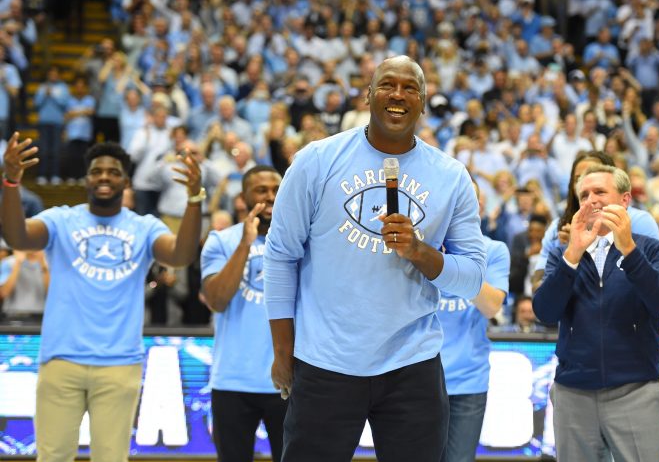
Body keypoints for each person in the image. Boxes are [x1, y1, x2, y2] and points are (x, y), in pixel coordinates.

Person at [263, 55, 486, 461]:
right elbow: (280, 257)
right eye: (387, 84)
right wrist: (282, 351)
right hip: (325, 361)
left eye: (410, 87)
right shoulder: (316, 160)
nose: (398, 94)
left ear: (422, 101)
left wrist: (420, 252)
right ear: (367, 95)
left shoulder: (452, 176)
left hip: (412, 363)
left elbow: (471, 277)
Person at [0, 134, 203, 461]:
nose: (104, 177)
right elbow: (16, 235)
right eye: (97, 171)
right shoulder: (61, 219)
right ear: (87, 179)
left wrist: (194, 199)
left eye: (113, 171)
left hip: (119, 363)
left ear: (125, 180)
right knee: (52, 457)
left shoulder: (144, 227)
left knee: (111, 457)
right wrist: (11, 182)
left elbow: (180, 255)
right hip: (62, 359)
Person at [533, 164, 659, 461]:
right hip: (573, 393)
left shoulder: (651, 249)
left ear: (624, 200)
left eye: (600, 191)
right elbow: (545, 312)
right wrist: (572, 254)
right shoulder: (563, 254)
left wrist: (630, 251)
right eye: (584, 195)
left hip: (637, 390)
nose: (591, 200)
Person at [201, 165, 287, 462]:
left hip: (289, 380)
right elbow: (217, 300)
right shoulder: (220, 241)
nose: (271, 197)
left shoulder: (303, 240)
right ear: (243, 198)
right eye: (262, 190)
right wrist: (245, 244)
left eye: (276, 190)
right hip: (233, 381)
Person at [439, 182, 510, 462]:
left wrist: (455, 264)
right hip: (418, 380)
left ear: (479, 207)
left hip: (467, 381)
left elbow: (492, 306)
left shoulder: (493, 250)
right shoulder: (417, 247)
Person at [531, 151, 659, 291]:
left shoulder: (640, 221)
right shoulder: (558, 227)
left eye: (593, 176)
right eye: (578, 179)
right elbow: (538, 289)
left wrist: (586, 250)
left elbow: (653, 286)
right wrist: (571, 252)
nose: (584, 184)